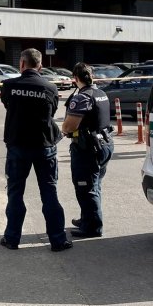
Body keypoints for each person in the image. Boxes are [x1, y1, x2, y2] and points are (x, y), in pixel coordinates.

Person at [0, 48, 72, 252]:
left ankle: (12, 238)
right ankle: (57, 240)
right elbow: (53, 111)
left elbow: (7, 105)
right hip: (44, 146)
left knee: (15, 193)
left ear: (21, 64)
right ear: (40, 66)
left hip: (17, 146)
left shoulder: (9, 86)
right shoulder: (50, 88)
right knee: (49, 192)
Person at [61, 62, 114, 239]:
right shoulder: (101, 93)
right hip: (104, 144)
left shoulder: (82, 97)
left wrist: (64, 129)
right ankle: (88, 218)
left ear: (75, 78)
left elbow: (70, 125)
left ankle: (92, 227)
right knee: (95, 183)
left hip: (88, 148)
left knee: (86, 186)